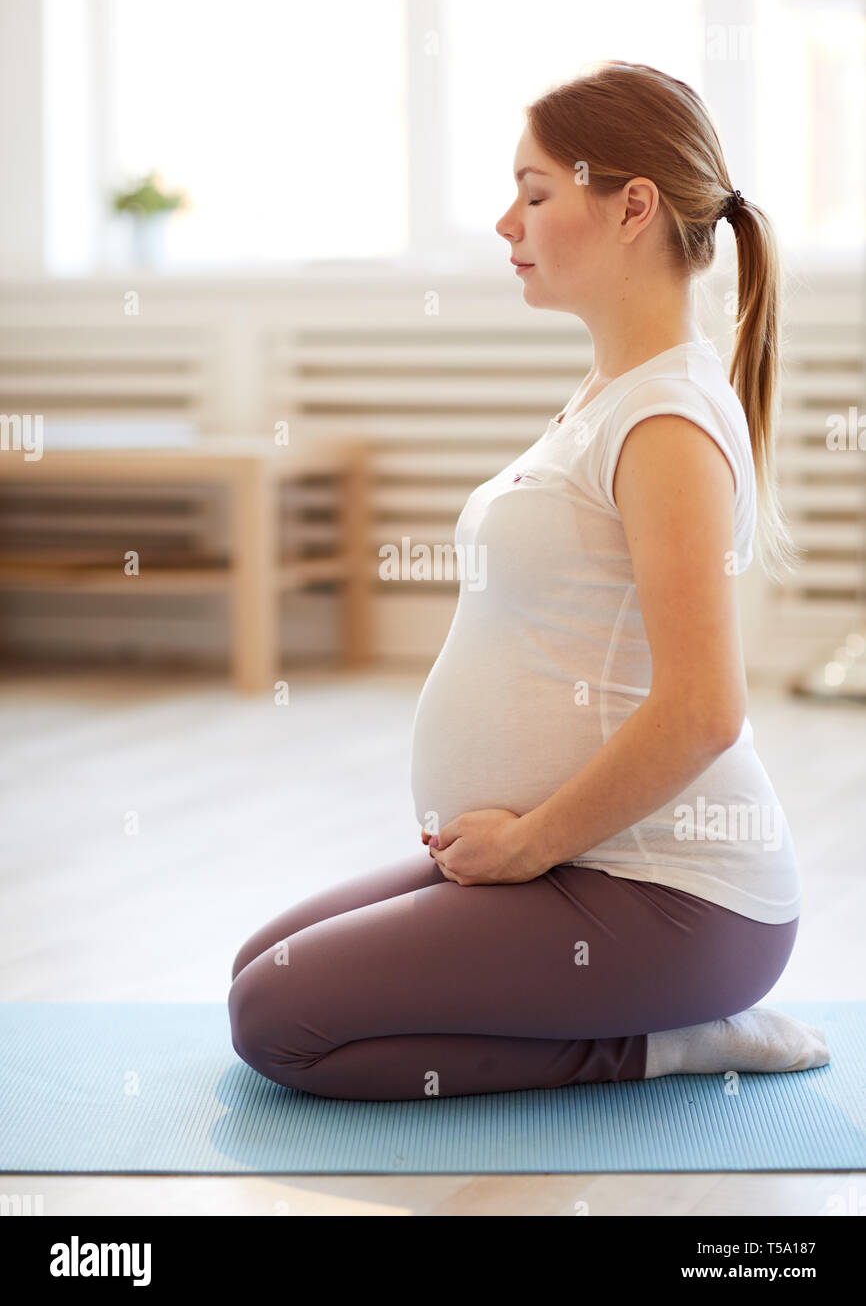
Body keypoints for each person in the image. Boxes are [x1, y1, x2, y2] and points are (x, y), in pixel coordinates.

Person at [228, 60, 829, 1100]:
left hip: (672, 897)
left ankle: (674, 1040)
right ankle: (641, 1010)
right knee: (259, 966)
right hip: (574, 866)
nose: (506, 222)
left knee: (278, 1022)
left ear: (632, 205)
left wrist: (523, 845)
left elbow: (702, 711)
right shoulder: (612, 392)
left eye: (535, 192)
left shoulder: (666, 423)